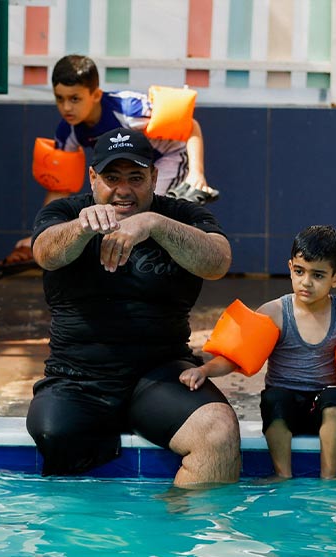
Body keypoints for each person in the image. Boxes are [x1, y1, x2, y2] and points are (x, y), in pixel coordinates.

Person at [25, 127, 240, 487]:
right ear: (92, 177)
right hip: (78, 378)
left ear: (154, 178)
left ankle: (171, 535)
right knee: (52, 432)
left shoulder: (179, 215)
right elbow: (44, 253)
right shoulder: (66, 212)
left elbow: (217, 262)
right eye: (111, 177)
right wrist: (82, 228)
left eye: (136, 178)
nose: (123, 190)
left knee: (217, 433)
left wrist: (154, 224)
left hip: (161, 375)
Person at [179, 225, 336, 479]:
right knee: (275, 398)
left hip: (322, 407)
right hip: (283, 409)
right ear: (290, 268)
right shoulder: (274, 312)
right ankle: (282, 475)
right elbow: (235, 357)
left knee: (334, 397)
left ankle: (329, 477)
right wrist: (204, 370)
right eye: (299, 271)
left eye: (318, 275)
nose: (306, 282)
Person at [0, 54, 220, 278]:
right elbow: (60, 186)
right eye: (59, 98)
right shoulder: (68, 130)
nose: (66, 107)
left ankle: (155, 274)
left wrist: (196, 175)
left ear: (96, 94)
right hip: (125, 172)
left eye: (75, 98)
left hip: (167, 157)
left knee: (146, 214)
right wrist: (40, 233)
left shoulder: (129, 109)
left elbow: (190, 126)